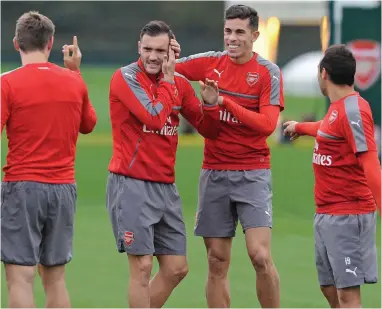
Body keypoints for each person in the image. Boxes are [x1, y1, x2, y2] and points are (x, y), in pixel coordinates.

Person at [171, 4, 283, 308]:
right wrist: (167, 54)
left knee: (259, 255)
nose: (232, 38)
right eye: (228, 31)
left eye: (239, 32)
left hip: (253, 172)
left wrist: (223, 102)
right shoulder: (210, 62)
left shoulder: (267, 73)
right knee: (216, 259)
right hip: (215, 172)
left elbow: (267, 126)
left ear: (255, 35)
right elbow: (166, 67)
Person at [106, 20, 221, 308]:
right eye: (147, 49)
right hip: (131, 183)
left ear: (171, 51)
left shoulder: (179, 84)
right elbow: (155, 117)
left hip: (165, 188)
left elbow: (209, 130)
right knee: (142, 267)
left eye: (160, 50)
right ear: (139, 48)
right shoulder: (125, 78)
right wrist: (170, 82)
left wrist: (210, 104)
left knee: (177, 268)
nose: (153, 56)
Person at [1, 11, 97, 309]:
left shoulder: (7, 84)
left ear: (17, 43)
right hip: (63, 187)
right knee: (55, 278)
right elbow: (89, 124)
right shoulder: (73, 82)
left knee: (20, 276)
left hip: (22, 186)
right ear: (51, 43)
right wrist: (75, 72)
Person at [283, 44, 381, 308]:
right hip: (327, 214)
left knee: (348, 295)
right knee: (329, 287)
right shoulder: (338, 108)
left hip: (349, 215)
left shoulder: (354, 111)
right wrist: (301, 127)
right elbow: (328, 128)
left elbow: (371, 165)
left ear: (323, 73)